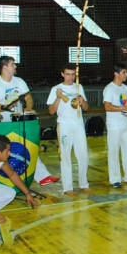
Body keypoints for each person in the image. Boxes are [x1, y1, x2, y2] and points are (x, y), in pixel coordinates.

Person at [0, 56, 59, 186]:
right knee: (4, 152)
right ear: (5, 67)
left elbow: (28, 97)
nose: (15, 66)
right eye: (12, 64)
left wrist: (28, 107)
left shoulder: (19, 81)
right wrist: (6, 107)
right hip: (3, 124)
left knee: (29, 147)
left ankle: (43, 177)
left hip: (20, 122)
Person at [47, 65, 90, 196]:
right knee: (65, 156)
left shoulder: (79, 87)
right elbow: (51, 111)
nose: (70, 77)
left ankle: (84, 183)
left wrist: (82, 101)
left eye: (72, 74)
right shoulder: (56, 89)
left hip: (78, 124)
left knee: (83, 155)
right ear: (62, 74)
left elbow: (86, 108)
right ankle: (68, 187)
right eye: (67, 74)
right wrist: (58, 97)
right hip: (64, 125)